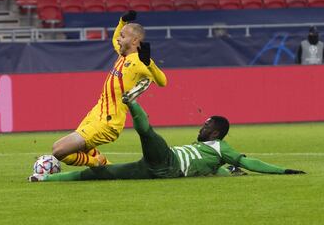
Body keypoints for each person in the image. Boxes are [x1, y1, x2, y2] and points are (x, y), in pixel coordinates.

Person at [29, 83, 305, 182]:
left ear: (217, 131)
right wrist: (229, 173)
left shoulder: (223, 149)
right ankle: (44, 180)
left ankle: (132, 102)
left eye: (207, 124)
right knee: (102, 173)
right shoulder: (212, 156)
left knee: (149, 135)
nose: (202, 126)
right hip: (152, 168)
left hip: (168, 163)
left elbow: (247, 162)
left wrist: (282, 171)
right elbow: (213, 170)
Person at [51, 10, 167, 168]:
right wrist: (122, 21)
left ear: (134, 41)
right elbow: (114, 37)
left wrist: (149, 64)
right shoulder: (122, 54)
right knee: (77, 150)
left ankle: (99, 163)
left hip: (108, 122)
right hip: (95, 114)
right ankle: (102, 164)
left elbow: (163, 82)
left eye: (123, 36)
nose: (118, 38)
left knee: (59, 150)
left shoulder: (140, 62)